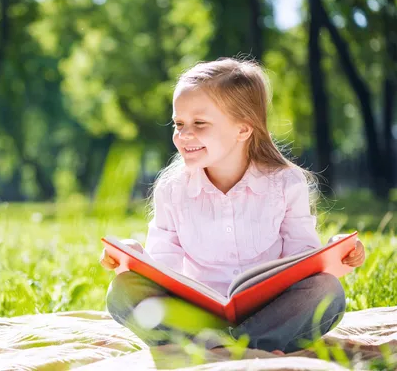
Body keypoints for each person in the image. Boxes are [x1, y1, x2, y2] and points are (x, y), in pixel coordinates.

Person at [99, 58, 366, 355]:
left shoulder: (285, 183)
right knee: (122, 291)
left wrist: (331, 253)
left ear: (243, 130)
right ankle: (244, 347)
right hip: (193, 315)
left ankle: (220, 348)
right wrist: (135, 258)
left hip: (269, 312)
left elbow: (301, 258)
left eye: (199, 124)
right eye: (179, 124)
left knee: (327, 291)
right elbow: (164, 266)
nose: (183, 135)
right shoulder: (172, 189)